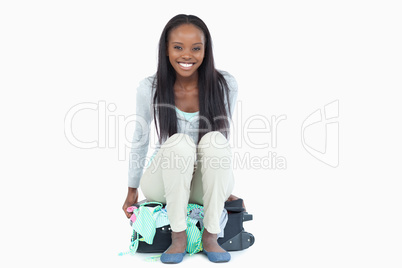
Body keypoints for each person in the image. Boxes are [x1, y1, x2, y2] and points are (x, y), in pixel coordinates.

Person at [122, 14, 242, 264]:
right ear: (166, 49)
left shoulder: (225, 84)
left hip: (201, 179)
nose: (187, 55)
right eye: (178, 47)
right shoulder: (150, 87)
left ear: (205, 51)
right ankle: (179, 236)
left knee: (214, 140)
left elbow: (222, 141)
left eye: (196, 48)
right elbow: (140, 137)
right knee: (178, 143)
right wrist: (132, 189)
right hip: (164, 179)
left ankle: (211, 235)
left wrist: (221, 187)